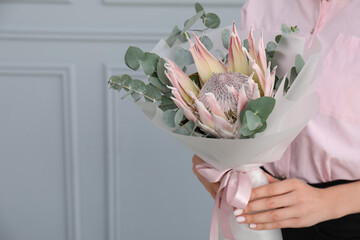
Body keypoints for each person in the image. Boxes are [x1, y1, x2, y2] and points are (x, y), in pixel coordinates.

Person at [192, 0, 360, 239]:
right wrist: (213, 158)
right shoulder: (262, 5)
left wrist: (329, 202)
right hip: (258, 206)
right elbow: (241, 95)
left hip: (345, 217)